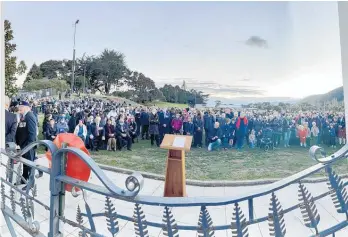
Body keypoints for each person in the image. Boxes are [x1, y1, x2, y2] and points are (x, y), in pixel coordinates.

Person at [15, 101, 37, 190]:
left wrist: (28, 146)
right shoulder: (23, 116)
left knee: (30, 165)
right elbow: (20, 129)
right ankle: (24, 180)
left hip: (29, 146)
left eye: (22, 107)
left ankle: (31, 183)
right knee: (25, 164)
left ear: (27, 107)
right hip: (23, 146)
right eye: (19, 106)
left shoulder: (30, 116)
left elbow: (32, 134)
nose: (20, 108)